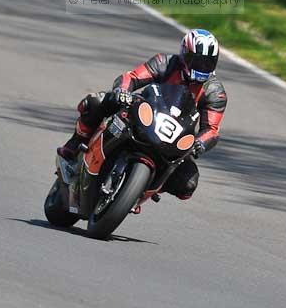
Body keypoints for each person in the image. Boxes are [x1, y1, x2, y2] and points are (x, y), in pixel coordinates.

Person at [58, 29, 227, 203]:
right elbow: (132, 77)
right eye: (197, 61)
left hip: (174, 138)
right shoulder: (165, 62)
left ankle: (142, 189)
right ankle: (76, 141)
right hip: (145, 115)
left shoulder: (215, 92)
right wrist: (122, 91)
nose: (201, 67)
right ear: (185, 53)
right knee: (97, 101)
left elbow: (212, 130)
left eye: (208, 62)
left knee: (188, 184)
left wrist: (200, 143)